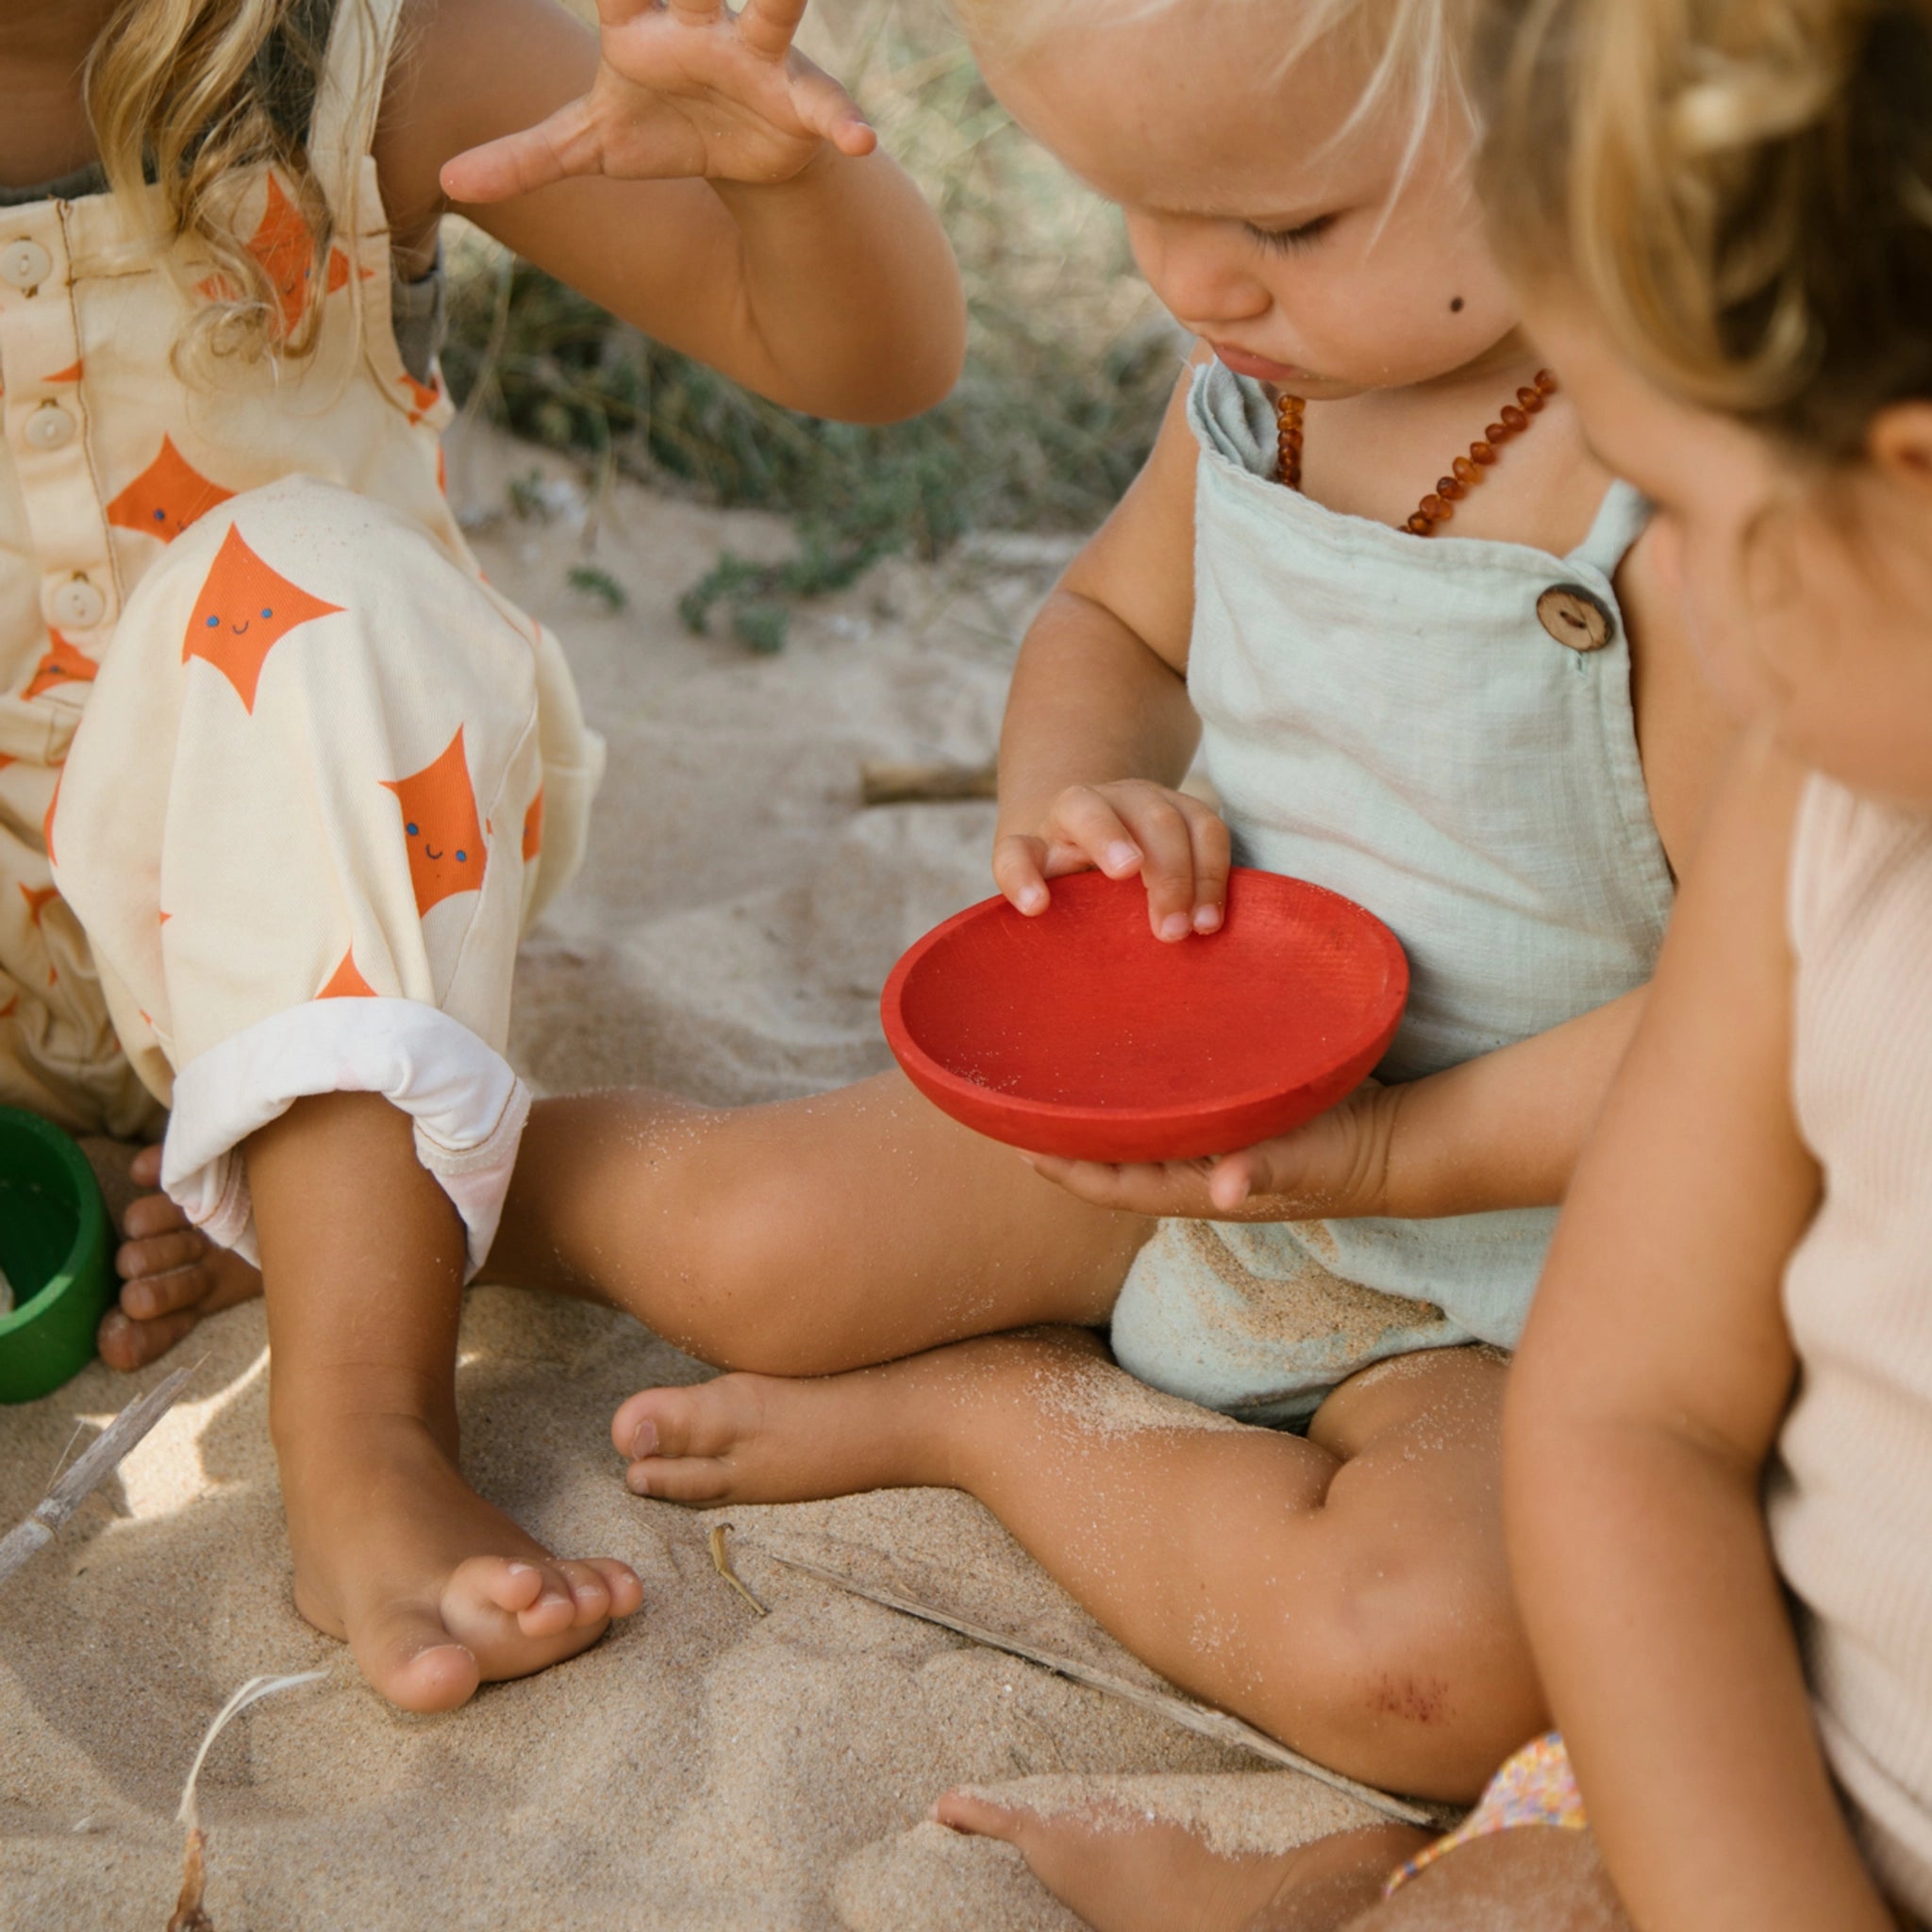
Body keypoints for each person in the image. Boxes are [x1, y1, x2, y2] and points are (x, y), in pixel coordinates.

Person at [481, 0, 1732, 1808]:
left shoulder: (1680, 527)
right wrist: (1076, 793)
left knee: (1431, 1666)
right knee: (750, 1248)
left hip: (1517, 1254)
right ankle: (388, 1180)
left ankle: (983, 1419)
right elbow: (1113, 627)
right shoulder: (1255, 398)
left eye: (1286, 227)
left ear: (1596, 112)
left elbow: (1748, 1041)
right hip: (1164, 1096)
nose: (1192, 282)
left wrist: (1382, 1166)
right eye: (1132, 206)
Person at [942, 0, 1932, 1924]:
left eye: (1706, 534)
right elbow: (1630, 1421)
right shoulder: (1828, 846)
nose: (1687, 631)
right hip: (1750, 1812)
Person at [0, 0, 964, 1710]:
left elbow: (868, 363)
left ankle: (365, 1432)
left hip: (330, 863)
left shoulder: (358, 49)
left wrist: (783, 171)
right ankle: (257, 1200)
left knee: (302, 580)